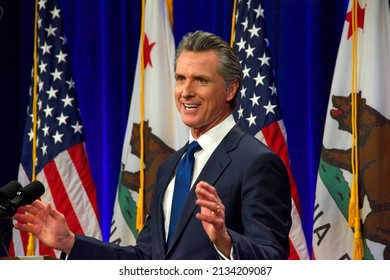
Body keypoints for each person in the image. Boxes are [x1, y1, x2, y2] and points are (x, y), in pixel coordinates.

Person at [13, 31, 292, 260]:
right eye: (181, 78)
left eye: (201, 80)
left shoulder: (256, 162)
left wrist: (226, 241)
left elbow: (273, 260)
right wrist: (70, 242)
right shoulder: (171, 166)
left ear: (231, 89)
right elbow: (146, 259)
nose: (186, 91)